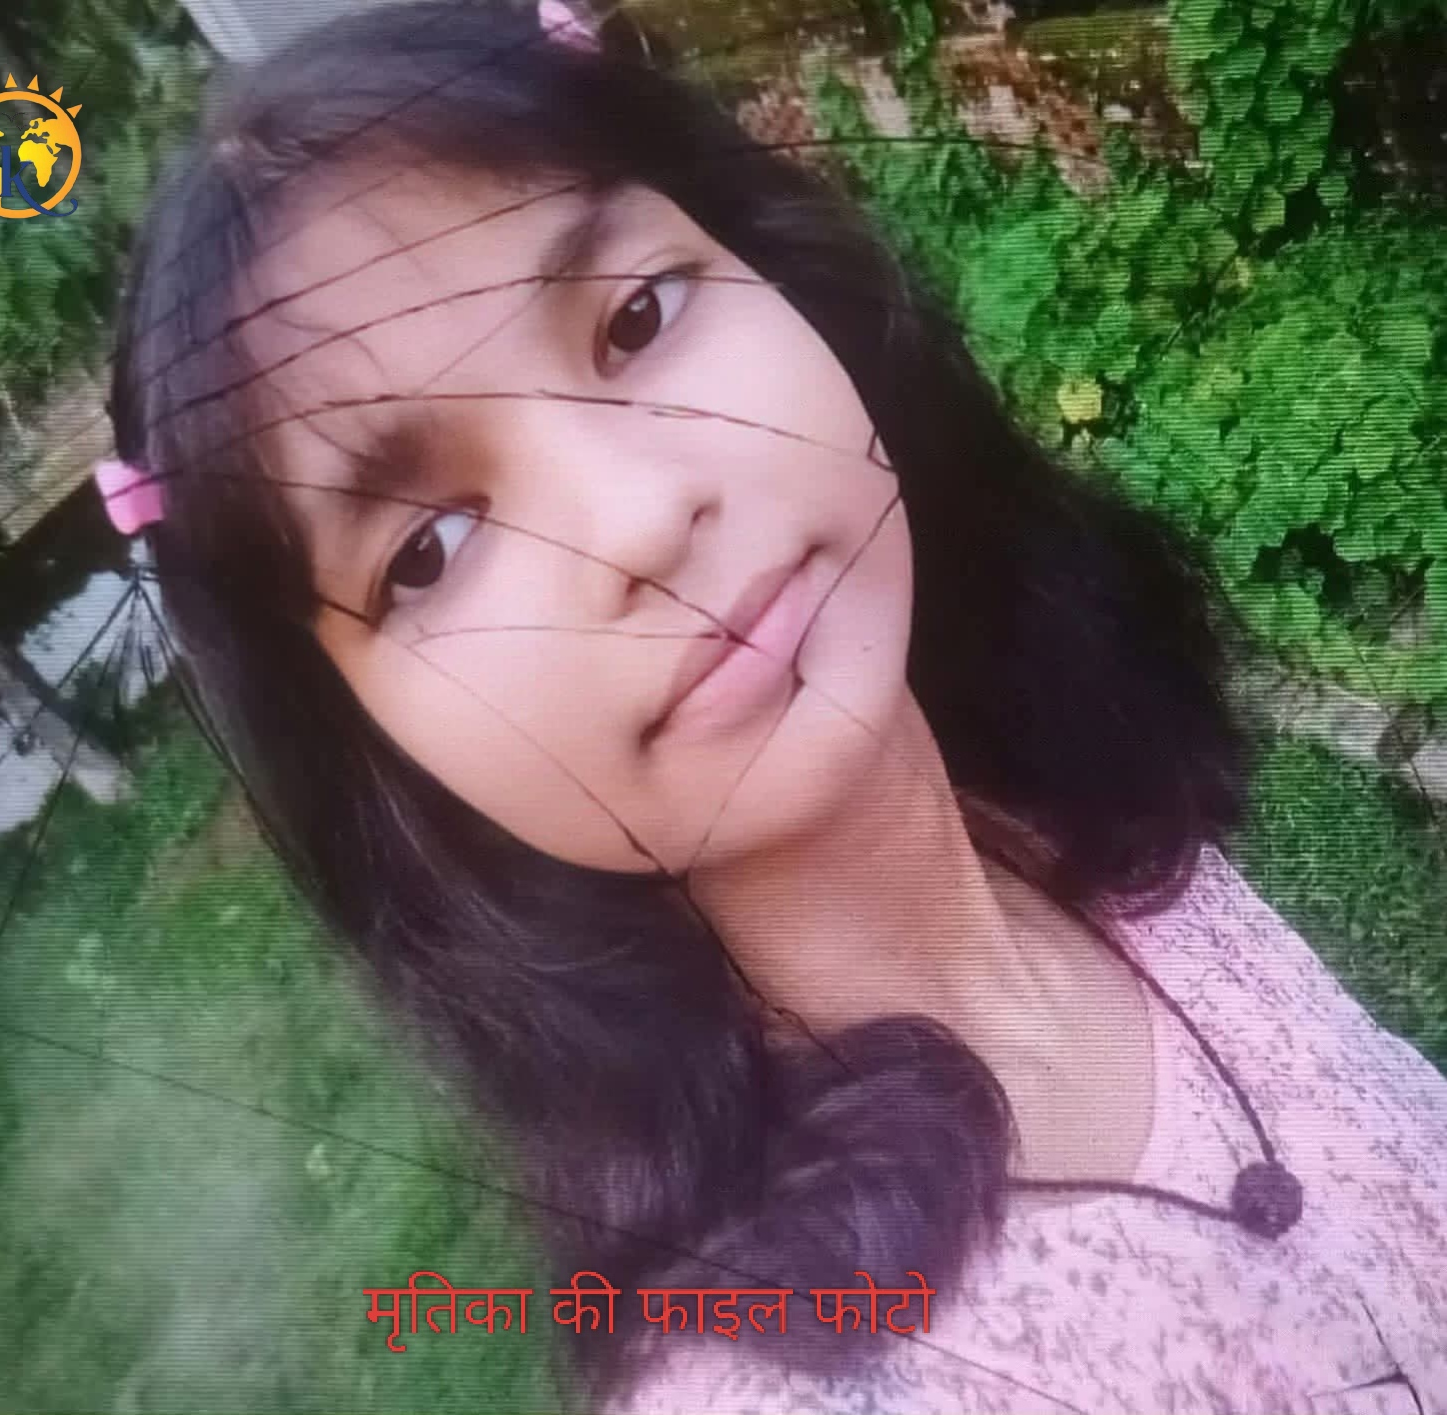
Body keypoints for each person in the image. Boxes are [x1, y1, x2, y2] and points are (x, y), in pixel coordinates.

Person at [100, 2, 1447, 1410]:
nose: (636, 517)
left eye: (636, 317)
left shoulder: (1067, 824)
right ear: (374, 752)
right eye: (430, 549)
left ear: (778, 274)